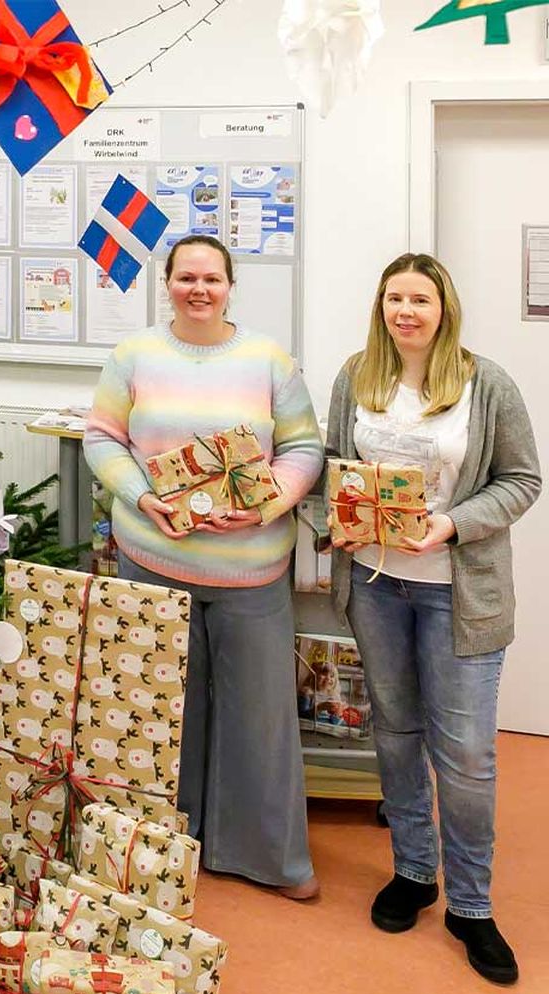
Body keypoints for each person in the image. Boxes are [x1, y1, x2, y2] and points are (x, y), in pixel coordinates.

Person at [83, 235, 325, 899]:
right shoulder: (133, 355)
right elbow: (103, 440)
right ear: (167, 282)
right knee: (158, 718)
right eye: (186, 277)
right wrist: (142, 498)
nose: (199, 289)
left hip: (250, 571)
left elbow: (304, 448)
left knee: (261, 718)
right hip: (152, 562)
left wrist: (266, 504)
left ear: (230, 285)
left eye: (211, 278)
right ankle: (159, 849)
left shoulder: (269, 360)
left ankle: (266, 858)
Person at [326, 253, 540, 985]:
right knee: (395, 731)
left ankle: (472, 906)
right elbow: (332, 465)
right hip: (378, 587)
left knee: (470, 756)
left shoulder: (487, 384)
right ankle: (415, 872)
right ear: (380, 306)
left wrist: (449, 526)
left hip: (458, 594)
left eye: (420, 299)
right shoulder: (357, 375)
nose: (406, 311)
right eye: (394, 298)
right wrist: (339, 523)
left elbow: (522, 480)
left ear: (444, 307)